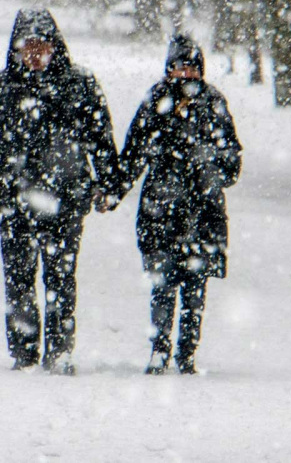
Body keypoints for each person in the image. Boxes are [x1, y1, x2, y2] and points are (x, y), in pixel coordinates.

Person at [0, 8, 119, 375]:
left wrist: (107, 184)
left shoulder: (80, 84)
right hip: (14, 198)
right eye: (27, 47)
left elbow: (100, 137)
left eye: (41, 46)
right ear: (16, 50)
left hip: (66, 198)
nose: (34, 54)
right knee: (18, 277)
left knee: (61, 277)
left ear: (55, 47)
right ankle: (24, 352)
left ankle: (59, 351)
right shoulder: (3, 86)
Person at [114, 34, 242, 375]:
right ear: (168, 70)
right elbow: (133, 153)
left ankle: (187, 351)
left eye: (191, 68)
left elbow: (232, 161)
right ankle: (159, 349)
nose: (185, 74)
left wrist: (209, 163)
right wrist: (113, 192)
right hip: (160, 207)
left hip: (202, 211)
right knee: (161, 284)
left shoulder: (214, 102)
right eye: (178, 67)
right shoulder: (155, 100)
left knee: (196, 285)